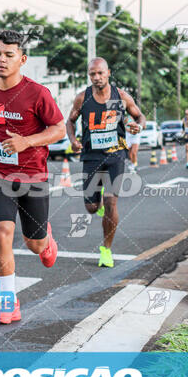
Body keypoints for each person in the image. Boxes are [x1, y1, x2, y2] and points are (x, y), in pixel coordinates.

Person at [0, 30, 65, 324]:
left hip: (33, 177)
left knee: (34, 245)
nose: (1, 60)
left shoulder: (38, 93)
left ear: (22, 59)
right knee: (1, 232)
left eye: (8, 55)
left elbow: (59, 130)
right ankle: (9, 300)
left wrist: (27, 142)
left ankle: (46, 241)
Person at [66, 57, 145, 269]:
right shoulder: (83, 98)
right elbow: (70, 121)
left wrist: (139, 126)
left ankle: (106, 250)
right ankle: (97, 205)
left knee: (111, 203)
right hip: (91, 157)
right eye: (92, 74)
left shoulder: (121, 97)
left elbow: (139, 116)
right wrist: (73, 140)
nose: (97, 77)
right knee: (92, 207)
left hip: (116, 156)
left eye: (100, 73)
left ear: (108, 73)